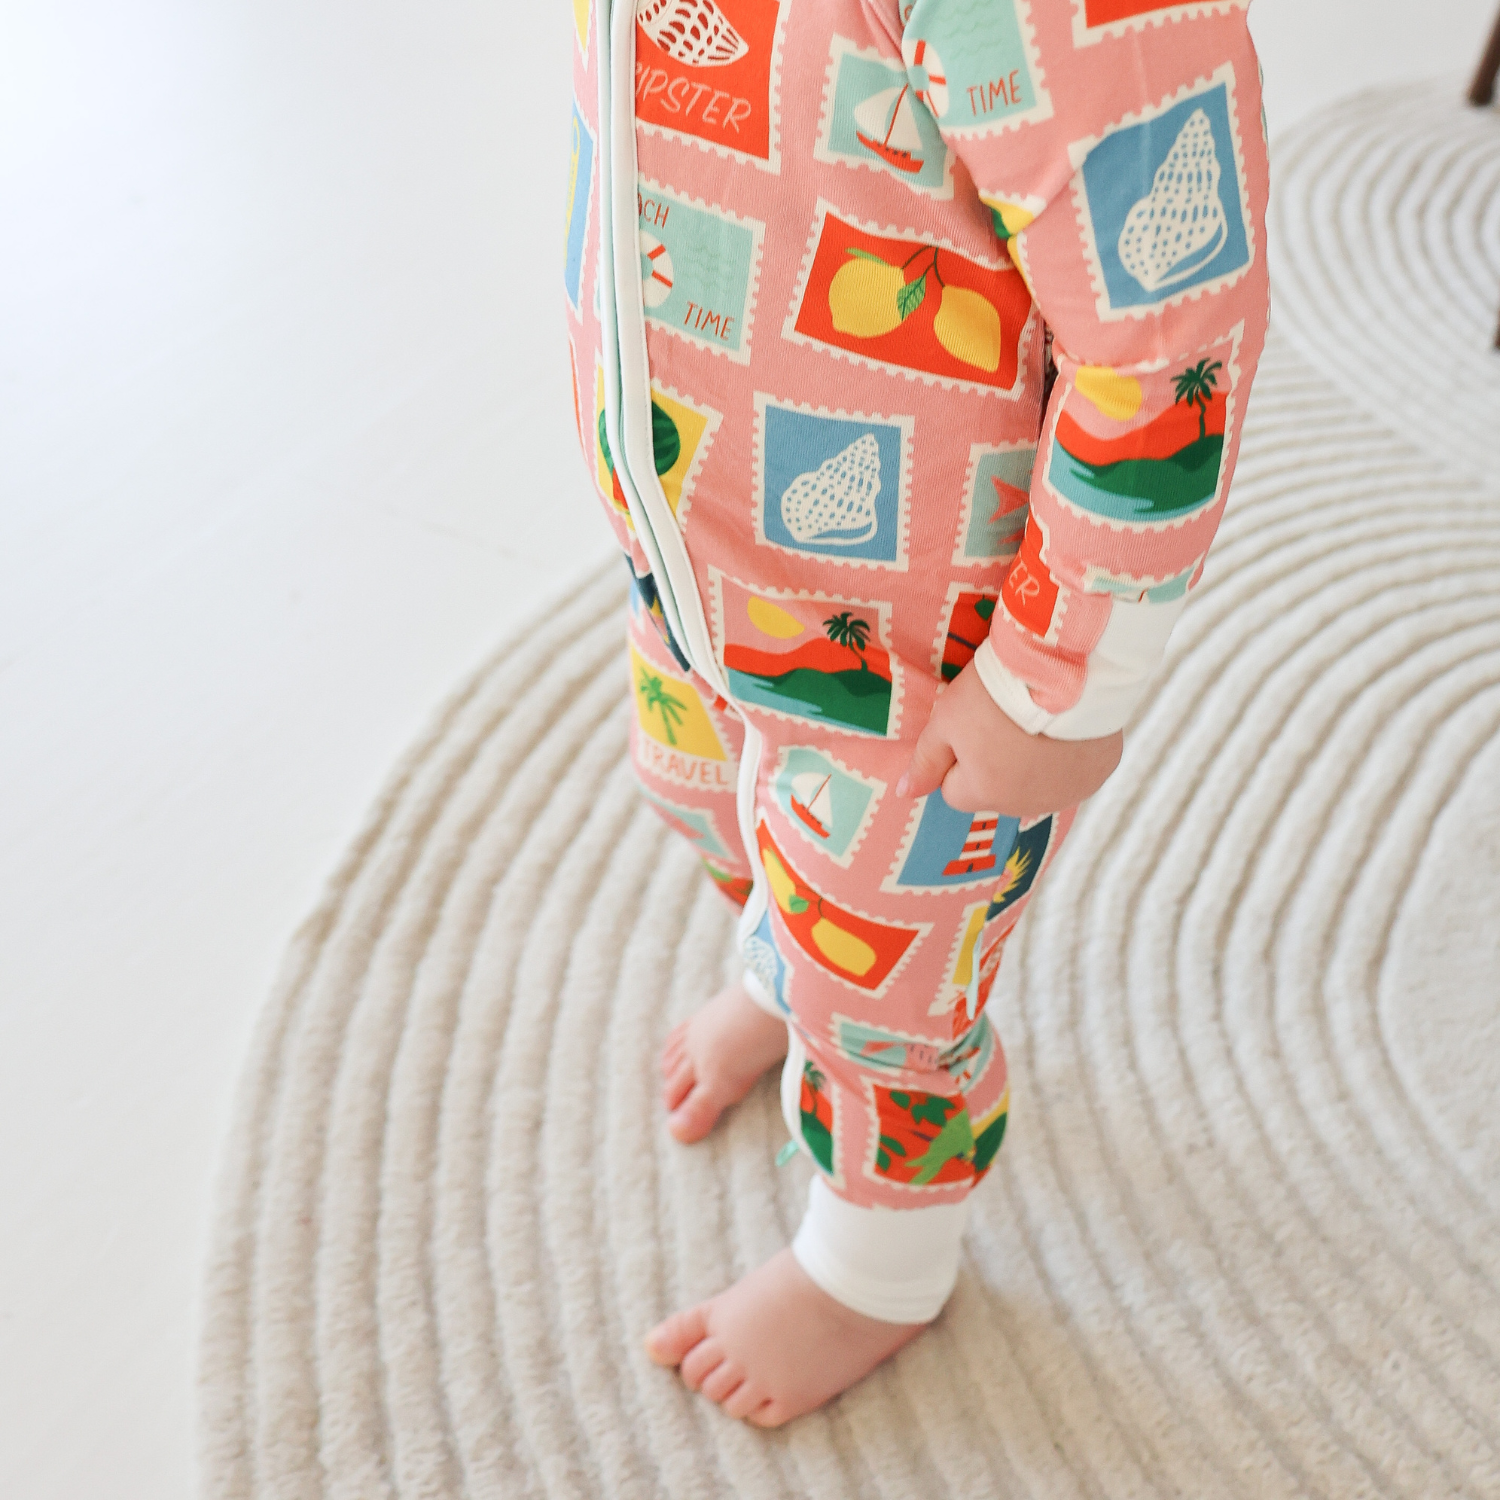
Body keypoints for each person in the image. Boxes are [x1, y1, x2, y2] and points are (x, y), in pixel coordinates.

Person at [563, 0, 1269, 1426]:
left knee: (885, 988)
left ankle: (878, 1263)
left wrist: (1057, 679)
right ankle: (783, 959)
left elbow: (1169, 320)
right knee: (703, 794)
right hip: (701, 546)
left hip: (926, 650)